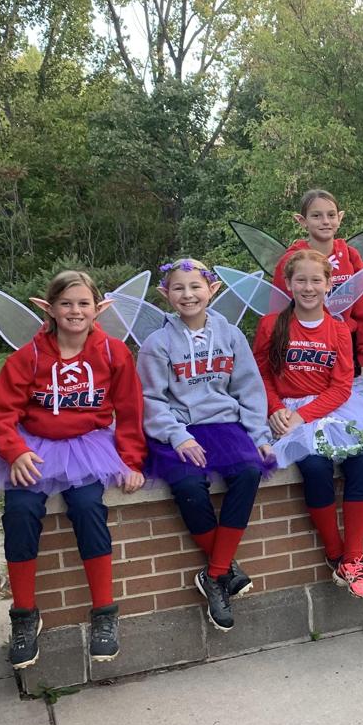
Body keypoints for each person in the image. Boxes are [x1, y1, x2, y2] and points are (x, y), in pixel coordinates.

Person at [0, 271, 145, 668]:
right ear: (50, 308)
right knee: (20, 510)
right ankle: (24, 615)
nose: (75, 311)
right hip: (34, 449)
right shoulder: (29, 357)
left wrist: (130, 460)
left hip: (87, 447)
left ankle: (104, 613)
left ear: (97, 309)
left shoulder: (113, 353)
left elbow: (130, 411)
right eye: (66, 303)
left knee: (88, 507)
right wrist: (14, 452)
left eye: (83, 303)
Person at [138, 259, 275, 631]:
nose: (188, 295)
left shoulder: (231, 335)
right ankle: (226, 569)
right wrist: (177, 435)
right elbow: (151, 399)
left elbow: (249, 389)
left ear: (212, 290)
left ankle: (214, 574)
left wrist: (259, 436)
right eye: (178, 288)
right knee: (187, 484)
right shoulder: (157, 344)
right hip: (178, 428)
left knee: (249, 471)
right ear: (165, 294)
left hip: (224, 425)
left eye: (196, 286)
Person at [253, 249, 363, 601]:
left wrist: (304, 415)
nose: (309, 287)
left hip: (328, 410)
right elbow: (260, 375)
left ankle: (354, 557)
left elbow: (341, 387)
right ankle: (336, 554)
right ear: (288, 284)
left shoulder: (339, 330)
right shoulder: (272, 325)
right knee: (315, 468)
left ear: (329, 284)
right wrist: (275, 408)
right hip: (284, 413)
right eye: (301, 280)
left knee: (362, 461)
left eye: (317, 280)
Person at [272, 189, 363, 375]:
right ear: (302, 221)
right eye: (316, 216)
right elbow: (278, 312)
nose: (325, 221)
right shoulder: (291, 260)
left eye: (331, 215)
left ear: (340, 218)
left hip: (346, 348)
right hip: (305, 350)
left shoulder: (350, 256)